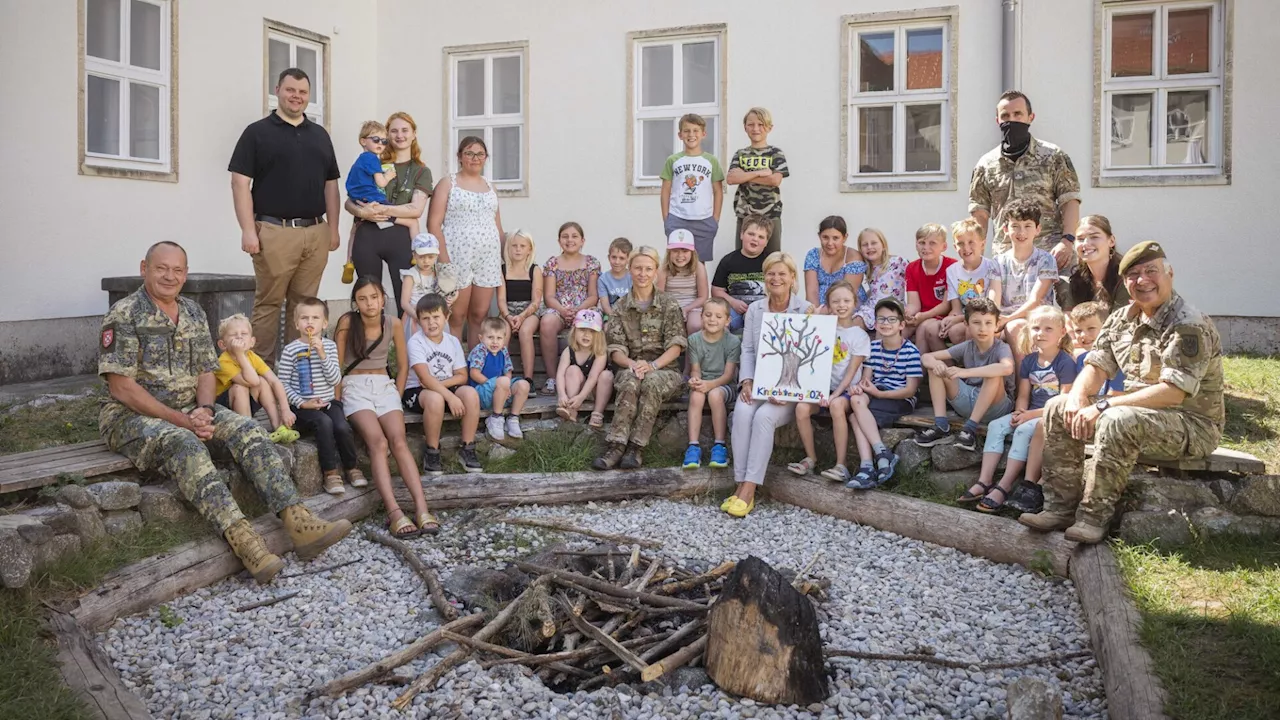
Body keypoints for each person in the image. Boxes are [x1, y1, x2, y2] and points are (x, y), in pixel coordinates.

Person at [98, 242, 351, 585]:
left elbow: (206, 371)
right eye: (161, 268)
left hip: (190, 410)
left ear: (185, 275)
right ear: (144, 268)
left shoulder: (192, 312)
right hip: (129, 416)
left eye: (177, 270)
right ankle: (246, 542)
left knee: (247, 429)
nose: (170, 276)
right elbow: (121, 388)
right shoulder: (124, 313)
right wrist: (183, 421)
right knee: (183, 444)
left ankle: (298, 521)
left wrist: (203, 409)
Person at [1021, 242, 1224, 543]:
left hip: (1190, 424)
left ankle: (1092, 518)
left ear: (1170, 273)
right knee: (1058, 406)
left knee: (1117, 419)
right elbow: (1096, 366)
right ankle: (1059, 508)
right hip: (1137, 414)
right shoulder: (1121, 319)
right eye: (1133, 275)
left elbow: (1173, 393)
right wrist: (1078, 398)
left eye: (1151, 271)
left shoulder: (1188, 325)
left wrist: (1101, 406)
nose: (1142, 280)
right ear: (1125, 282)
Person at [229, 68, 341, 366]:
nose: (297, 97)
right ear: (277, 89)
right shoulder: (257, 132)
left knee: (305, 308)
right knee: (269, 304)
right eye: (291, 90)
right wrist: (247, 230)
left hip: (315, 232)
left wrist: (334, 228)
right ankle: (259, 376)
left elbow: (331, 185)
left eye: (303, 92)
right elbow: (240, 183)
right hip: (274, 231)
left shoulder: (320, 135)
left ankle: (297, 374)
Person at [335, 279, 439, 537]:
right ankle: (394, 512)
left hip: (385, 386)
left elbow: (403, 366)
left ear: (383, 298)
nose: (369, 303)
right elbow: (336, 367)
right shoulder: (347, 322)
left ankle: (422, 508)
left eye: (374, 297)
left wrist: (397, 394)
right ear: (355, 302)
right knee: (378, 442)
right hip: (355, 386)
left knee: (399, 441)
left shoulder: (392, 322)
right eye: (363, 298)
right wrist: (337, 402)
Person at [957, 306, 1074, 512]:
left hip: (1048, 416)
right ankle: (985, 481)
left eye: (1048, 329)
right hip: (1027, 413)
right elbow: (1023, 395)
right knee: (995, 425)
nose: (1041, 333)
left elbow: (1064, 400)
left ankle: (1005, 485)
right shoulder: (1029, 361)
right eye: (1036, 328)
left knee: (1021, 431)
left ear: (1062, 333)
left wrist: (1029, 415)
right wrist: (1020, 411)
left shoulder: (1065, 362)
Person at [724, 252, 812, 518]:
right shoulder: (755, 309)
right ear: (765, 277)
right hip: (759, 383)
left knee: (763, 418)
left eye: (782, 273)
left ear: (792, 278)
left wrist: (787, 392)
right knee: (741, 412)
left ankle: (749, 490)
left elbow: (811, 357)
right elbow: (748, 349)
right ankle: (740, 482)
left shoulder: (805, 309)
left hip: (792, 390)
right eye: (771, 273)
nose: (776, 278)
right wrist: (747, 381)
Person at [593, 247, 687, 470]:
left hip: (665, 370)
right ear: (630, 270)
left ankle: (636, 449)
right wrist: (633, 364)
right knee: (628, 381)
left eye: (648, 269)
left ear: (656, 271)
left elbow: (676, 346)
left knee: (652, 382)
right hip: (632, 366)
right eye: (638, 268)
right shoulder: (620, 307)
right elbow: (616, 350)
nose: (642, 274)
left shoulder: (668, 304)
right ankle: (615, 447)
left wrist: (653, 366)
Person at [969, 90, 1082, 269]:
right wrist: (976, 257)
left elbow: (1070, 201)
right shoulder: (985, 165)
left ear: (1030, 117)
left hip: (1051, 255)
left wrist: (1068, 241)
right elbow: (979, 213)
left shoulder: (1053, 156)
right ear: (997, 120)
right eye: (1005, 115)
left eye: (1018, 114)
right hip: (1006, 260)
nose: (1011, 120)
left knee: (1065, 296)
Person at [345, 112, 434, 314]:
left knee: (408, 297)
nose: (399, 135)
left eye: (404, 130)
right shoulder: (371, 161)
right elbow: (349, 201)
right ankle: (371, 344)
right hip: (367, 232)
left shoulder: (421, 170)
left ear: (413, 134)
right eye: (393, 131)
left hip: (400, 235)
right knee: (369, 299)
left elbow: (416, 209)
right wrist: (362, 211)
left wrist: (381, 209)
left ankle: (406, 344)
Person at [277, 299, 363, 496]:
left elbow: (335, 379)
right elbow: (283, 384)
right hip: (303, 407)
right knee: (324, 423)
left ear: (324, 323)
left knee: (341, 426)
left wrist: (322, 354)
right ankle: (330, 473)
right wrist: (301, 403)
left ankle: (352, 467)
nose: (310, 322)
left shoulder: (330, 347)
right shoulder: (291, 350)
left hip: (327, 401)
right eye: (304, 318)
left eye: (315, 318)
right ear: (296, 323)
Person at [788, 281, 869, 484]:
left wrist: (834, 394)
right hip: (823, 388)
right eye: (836, 301)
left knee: (835, 405)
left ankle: (841, 465)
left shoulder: (859, 335)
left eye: (846, 301)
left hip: (847, 391)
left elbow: (851, 372)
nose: (841, 305)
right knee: (801, 408)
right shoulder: (822, 329)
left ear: (854, 303)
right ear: (829, 305)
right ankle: (811, 458)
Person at [427, 136, 505, 346]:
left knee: (479, 315)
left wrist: (506, 257)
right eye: (469, 153)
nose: (474, 158)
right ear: (460, 157)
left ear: (486, 158)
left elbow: (497, 226)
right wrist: (444, 262)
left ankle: (474, 367)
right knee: (456, 315)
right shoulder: (448, 183)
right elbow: (433, 224)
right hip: (456, 256)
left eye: (480, 153)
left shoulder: (491, 187)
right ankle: (454, 367)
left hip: (487, 258)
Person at [913, 297, 1016, 452]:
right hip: (967, 401)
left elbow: (1007, 368)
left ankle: (969, 430)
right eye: (976, 323)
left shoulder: (1001, 348)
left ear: (996, 325)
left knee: (994, 373)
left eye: (988, 323)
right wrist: (936, 364)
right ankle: (941, 425)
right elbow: (926, 357)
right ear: (966, 325)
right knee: (936, 367)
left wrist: (965, 372)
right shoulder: (967, 346)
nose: (982, 328)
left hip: (996, 406)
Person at [846, 299, 924, 489]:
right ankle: (881, 456)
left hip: (899, 397)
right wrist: (858, 388)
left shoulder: (910, 352)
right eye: (881, 319)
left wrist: (879, 395)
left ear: (901, 324)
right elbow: (867, 381)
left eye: (891, 319)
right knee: (856, 400)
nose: (885, 324)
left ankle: (867, 466)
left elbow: (910, 390)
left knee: (855, 418)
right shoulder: (872, 348)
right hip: (876, 392)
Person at [404, 294, 483, 475]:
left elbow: (462, 376)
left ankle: (468, 447)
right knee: (435, 399)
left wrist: (447, 389)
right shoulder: (415, 342)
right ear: (419, 320)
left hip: (445, 387)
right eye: (425, 318)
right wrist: (449, 396)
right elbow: (424, 379)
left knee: (470, 393)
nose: (431, 323)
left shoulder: (452, 341)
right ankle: (432, 450)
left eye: (436, 317)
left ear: (446, 317)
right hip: (417, 391)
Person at [992, 198, 1058, 365]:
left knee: (1015, 328)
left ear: (1037, 229)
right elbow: (994, 297)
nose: (1021, 232)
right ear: (1006, 229)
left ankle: (1022, 386)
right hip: (1005, 317)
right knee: (976, 330)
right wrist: (993, 320)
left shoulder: (1046, 259)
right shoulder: (998, 262)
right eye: (1015, 226)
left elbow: (1035, 301)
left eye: (1028, 226)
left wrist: (1007, 319)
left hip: (1037, 318)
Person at [213, 314, 297, 444]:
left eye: (244, 333)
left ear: (252, 342)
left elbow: (274, 381)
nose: (239, 337)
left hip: (245, 404)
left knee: (264, 382)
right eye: (233, 335)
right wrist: (240, 355)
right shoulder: (223, 362)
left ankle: (278, 427)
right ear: (222, 344)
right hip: (224, 410)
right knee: (240, 387)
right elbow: (253, 381)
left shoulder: (252, 356)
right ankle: (248, 432)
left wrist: (286, 410)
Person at [540, 222, 601, 396]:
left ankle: (589, 376)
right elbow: (549, 296)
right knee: (546, 322)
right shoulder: (552, 263)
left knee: (593, 320)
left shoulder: (591, 263)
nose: (570, 240)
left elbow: (593, 295)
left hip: (584, 307)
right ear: (559, 241)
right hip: (559, 308)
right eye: (565, 236)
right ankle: (552, 378)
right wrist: (563, 310)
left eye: (574, 236)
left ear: (582, 240)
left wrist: (578, 311)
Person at [926, 219, 1002, 352]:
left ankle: (972, 368)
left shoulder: (991, 266)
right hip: (964, 317)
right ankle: (950, 367)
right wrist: (950, 319)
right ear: (955, 247)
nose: (966, 248)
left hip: (985, 317)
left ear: (982, 244)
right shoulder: (952, 271)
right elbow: (956, 307)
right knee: (934, 329)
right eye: (960, 243)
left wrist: (958, 319)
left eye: (971, 242)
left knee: (969, 330)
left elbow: (991, 306)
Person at [682, 298, 741, 470]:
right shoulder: (694, 340)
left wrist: (710, 385)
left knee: (715, 396)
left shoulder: (732, 342)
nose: (712, 320)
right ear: (701, 317)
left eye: (718, 316)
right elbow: (695, 369)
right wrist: (695, 380)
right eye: (708, 315)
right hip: (704, 382)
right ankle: (693, 446)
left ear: (727, 320)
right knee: (696, 396)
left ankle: (719, 445)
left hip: (724, 385)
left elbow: (729, 375)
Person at [660, 114, 725, 262]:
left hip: (704, 219)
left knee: (699, 264)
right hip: (678, 218)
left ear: (703, 134)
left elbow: (718, 191)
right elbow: (665, 191)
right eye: (687, 131)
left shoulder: (711, 161)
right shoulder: (673, 160)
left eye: (696, 130)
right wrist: (666, 218)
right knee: (677, 263)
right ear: (680, 135)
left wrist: (715, 219)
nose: (691, 135)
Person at [727, 107, 789, 256]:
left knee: (772, 258)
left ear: (769, 127)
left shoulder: (775, 153)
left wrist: (745, 175)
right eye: (751, 124)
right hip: (745, 214)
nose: (756, 129)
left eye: (761, 124)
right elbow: (731, 178)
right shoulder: (741, 154)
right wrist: (760, 173)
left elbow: (775, 180)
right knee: (743, 257)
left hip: (771, 214)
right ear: (745, 127)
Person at [342, 121, 398, 284]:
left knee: (355, 230)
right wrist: (388, 175)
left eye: (384, 141)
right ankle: (416, 251)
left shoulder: (359, 160)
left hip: (357, 198)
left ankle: (349, 262)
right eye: (376, 139)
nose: (381, 144)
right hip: (371, 197)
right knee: (409, 221)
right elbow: (380, 183)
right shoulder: (372, 158)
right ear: (363, 141)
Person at [469, 317, 530, 442]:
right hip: (482, 392)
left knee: (524, 385)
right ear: (481, 338)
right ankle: (496, 417)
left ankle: (513, 418)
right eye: (490, 337)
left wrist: (506, 386)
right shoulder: (480, 350)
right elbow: (474, 373)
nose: (495, 342)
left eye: (499, 338)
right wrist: (498, 384)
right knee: (503, 381)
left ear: (504, 339)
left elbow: (508, 371)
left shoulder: (503, 351)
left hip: (501, 392)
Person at [555, 309, 614, 429]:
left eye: (592, 331)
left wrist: (582, 397)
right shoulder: (569, 351)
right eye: (582, 330)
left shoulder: (600, 352)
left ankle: (597, 413)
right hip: (577, 389)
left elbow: (593, 377)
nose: (586, 335)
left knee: (607, 375)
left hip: (596, 391)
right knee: (572, 370)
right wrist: (561, 394)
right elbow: (560, 374)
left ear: (599, 334)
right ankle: (571, 408)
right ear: (574, 331)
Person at [713, 216, 773, 332]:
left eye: (761, 237)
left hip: (762, 310)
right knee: (720, 324)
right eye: (751, 234)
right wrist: (733, 302)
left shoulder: (771, 262)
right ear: (741, 235)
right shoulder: (728, 261)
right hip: (734, 309)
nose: (755, 239)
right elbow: (716, 290)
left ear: (766, 242)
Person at [498, 229, 543, 379]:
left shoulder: (534, 270)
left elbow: (536, 301)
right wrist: (509, 316)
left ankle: (529, 378)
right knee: (502, 333)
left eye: (522, 246)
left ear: (529, 249)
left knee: (525, 332)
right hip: (508, 310)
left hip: (529, 311)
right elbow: (501, 300)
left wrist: (522, 317)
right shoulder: (502, 270)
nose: (518, 249)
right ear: (508, 248)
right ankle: (502, 376)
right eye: (514, 245)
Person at [1062, 216, 1129, 312]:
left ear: (1111, 241)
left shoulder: (1125, 278)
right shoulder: (1077, 280)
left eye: (1094, 237)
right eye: (1080, 239)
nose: (1086, 243)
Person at [905, 223, 957, 343]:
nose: (926, 247)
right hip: (920, 315)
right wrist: (908, 314)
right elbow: (914, 304)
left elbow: (946, 306)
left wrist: (923, 316)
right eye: (922, 242)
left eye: (932, 243)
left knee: (923, 328)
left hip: (942, 316)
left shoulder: (952, 266)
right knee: (897, 327)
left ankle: (922, 361)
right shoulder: (911, 268)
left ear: (944, 247)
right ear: (916, 245)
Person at [804, 216, 867, 314]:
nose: (830, 243)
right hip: (818, 310)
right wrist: (815, 313)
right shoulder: (813, 255)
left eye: (835, 238)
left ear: (845, 237)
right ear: (819, 236)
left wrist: (823, 314)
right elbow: (812, 291)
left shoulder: (853, 257)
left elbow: (847, 294)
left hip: (847, 308)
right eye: (825, 237)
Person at [657, 229, 709, 338]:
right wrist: (674, 310)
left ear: (692, 252)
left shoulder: (699, 267)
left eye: (685, 251)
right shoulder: (664, 268)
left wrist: (686, 309)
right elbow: (660, 295)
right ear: (669, 252)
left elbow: (703, 297)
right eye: (675, 251)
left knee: (695, 325)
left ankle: (691, 354)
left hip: (694, 306)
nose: (680, 255)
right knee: (670, 327)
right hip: (670, 306)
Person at [853, 228, 909, 331]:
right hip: (873, 307)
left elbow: (913, 283)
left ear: (883, 245)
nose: (869, 247)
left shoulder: (898, 262)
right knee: (856, 322)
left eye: (874, 243)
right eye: (865, 245)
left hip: (894, 305)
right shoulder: (865, 267)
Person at [399, 233, 445, 339]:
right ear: (414, 255)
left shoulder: (438, 273)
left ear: (436, 256)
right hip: (416, 315)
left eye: (430, 257)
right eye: (421, 257)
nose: (426, 261)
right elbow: (404, 303)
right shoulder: (410, 275)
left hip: (435, 315)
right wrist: (419, 318)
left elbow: (448, 291)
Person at [597, 237, 634, 319]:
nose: (617, 262)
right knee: (608, 328)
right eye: (614, 257)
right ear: (608, 257)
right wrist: (614, 318)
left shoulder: (633, 277)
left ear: (628, 259)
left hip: (630, 316)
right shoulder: (603, 279)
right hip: (610, 315)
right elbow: (605, 305)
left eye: (622, 258)